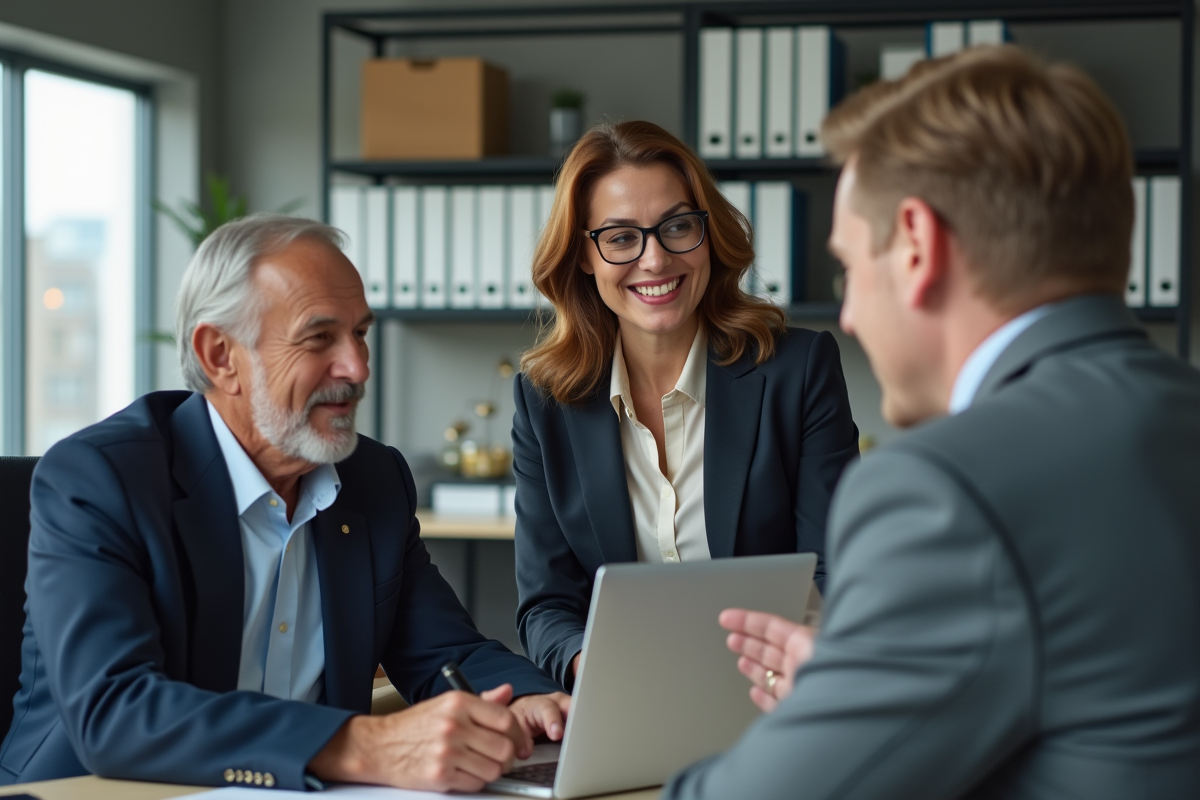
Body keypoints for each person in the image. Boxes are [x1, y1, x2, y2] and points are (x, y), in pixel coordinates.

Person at [663, 45, 1200, 799]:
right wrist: (866, 684)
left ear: (917, 245)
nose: (847, 315)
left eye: (849, 267)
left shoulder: (944, 490)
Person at [0, 216, 570, 793]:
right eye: (319, 337)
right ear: (221, 354)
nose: (358, 367)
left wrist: (534, 703)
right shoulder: (102, 478)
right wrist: (359, 744)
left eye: (361, 333)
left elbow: (446, 651)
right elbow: (115, 711)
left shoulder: (374, 479)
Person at [512, 120, 859, 690]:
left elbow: (832, 570)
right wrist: (593, 667)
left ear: (708, 233)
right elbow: (546, 606)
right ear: (583, 255)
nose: (655, 260)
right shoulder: (545, 400)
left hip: (772, 695)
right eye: (621, 237)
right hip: (625, 697)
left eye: (677, 226)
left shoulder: (799, 370)